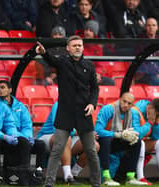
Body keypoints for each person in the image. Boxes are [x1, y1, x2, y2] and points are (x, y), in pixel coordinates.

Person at [35, 35, 101, 187]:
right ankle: (49, 183)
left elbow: (95, 88)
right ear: (68, 48)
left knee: (91, 150)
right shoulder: (62, 62)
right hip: (65, 113)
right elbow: (51, 60)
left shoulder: (89, 65)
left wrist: (92, 104)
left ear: (83, 48)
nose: (77, 47)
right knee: (57, 149)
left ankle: (97, 183)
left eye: (80, 45)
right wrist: (44, 52)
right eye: (74, 45)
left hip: (84, 112)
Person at [37, 101, 100, 184]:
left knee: (94, 145)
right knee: (65, 138)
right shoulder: (59, 104)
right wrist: (79, 131)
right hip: (48, 136)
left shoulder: (82, 106)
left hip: (70, 137)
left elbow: (83, 126)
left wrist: (89, 134)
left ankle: (74, 174)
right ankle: (68, 175)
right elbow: (58, 125)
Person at [95, 92, 147, 186]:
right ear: (119, 99)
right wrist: (118, 134)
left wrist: (133, 135)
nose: (126, 105)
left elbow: (137, 130)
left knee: (137, 142)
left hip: (117, 142)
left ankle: (130, 176)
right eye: (124, 101)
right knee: (106, 140)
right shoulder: (108, 109)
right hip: (102, 141)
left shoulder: (134, 113)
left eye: (129, 103)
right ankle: (106, 176)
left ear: (132, 105)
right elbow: (98, 130)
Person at [0, 80, 47, 171]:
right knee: (24, 143)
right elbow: (4, 126)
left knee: (41, 145)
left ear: (10, 90)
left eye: (2, 87)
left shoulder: (20, 106)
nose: (0, 90)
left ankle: (39, 172)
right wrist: (22, 137)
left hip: (22, 137)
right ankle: (25, 172)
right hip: (6, 138)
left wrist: (28, 136)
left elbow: (27, 125)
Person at [135, 17, 159, 86]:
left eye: (153, 25)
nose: (151, 27)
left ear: (157, 27)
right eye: (149, 25)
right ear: (145, 27)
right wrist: (157, 73)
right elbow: (142, 63)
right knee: (158, 81)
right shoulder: (140, 41)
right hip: (146, 74)